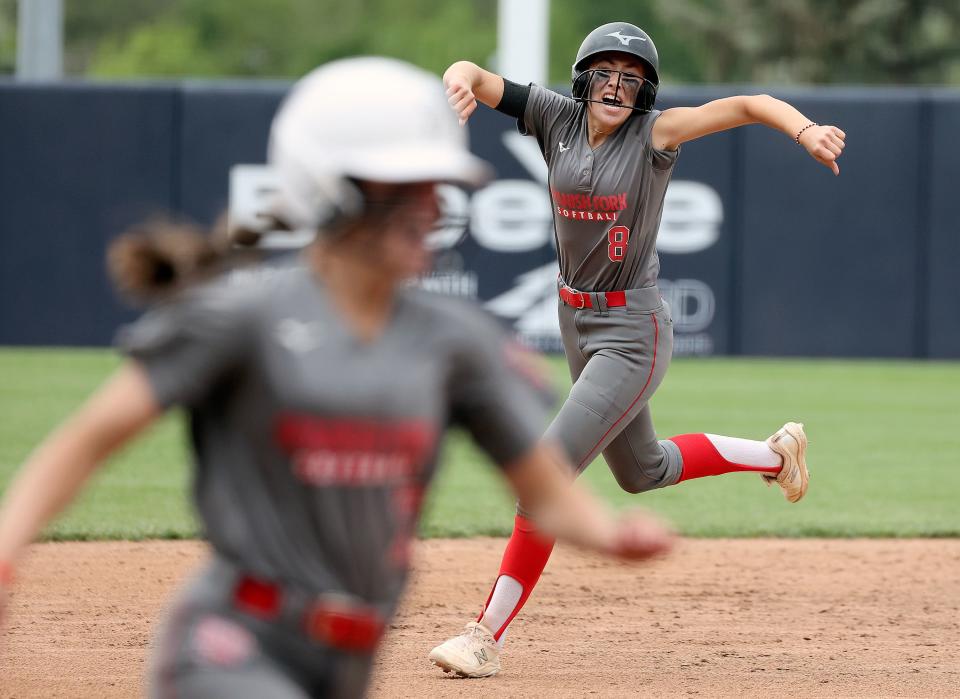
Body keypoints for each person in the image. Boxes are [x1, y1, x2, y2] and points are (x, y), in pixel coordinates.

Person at [0, 57, 674, 698]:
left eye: (434, 188)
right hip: (230, 644)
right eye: (404, 189)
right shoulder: (242, 316)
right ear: (331, 190)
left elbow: (543, 486)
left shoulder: (455, 340)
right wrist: (7, 545)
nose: (432, 209)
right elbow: (90, 437)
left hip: (347, 661)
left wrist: (609, 532)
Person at [428, 21, 846, 678]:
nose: (618, 85)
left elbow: (742, 105)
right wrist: (458, 74)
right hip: (577, 320)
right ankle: (774, 455)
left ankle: (484, 634)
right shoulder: (554, 118)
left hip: (632, 333)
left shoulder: (654, 136)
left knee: (544, 472)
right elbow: (480, 80)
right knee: (641, 469)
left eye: (633, 77)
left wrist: (803, 130)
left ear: (644, 91)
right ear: (584, 77)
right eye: (607, 72)